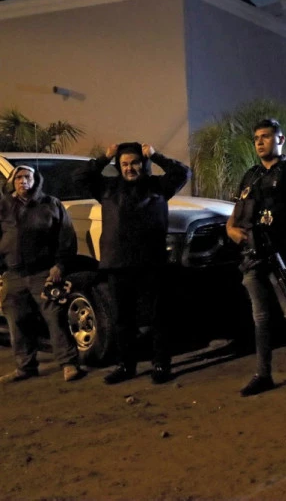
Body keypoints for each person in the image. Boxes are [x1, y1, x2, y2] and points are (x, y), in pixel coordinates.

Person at [74, 142, 191, 384]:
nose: (130, 168)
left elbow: (182, 172)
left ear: (143, 164)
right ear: (118, 166)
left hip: (151, 263)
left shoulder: (158, 186)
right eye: (124, 164)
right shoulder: (107, 187)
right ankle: (126, 365)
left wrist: (156, 155)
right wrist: (104, 157)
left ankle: (161, 364)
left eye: (135, 163)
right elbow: (79, 177)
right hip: (118, 264)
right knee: (122, 319)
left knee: (158, 317)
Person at [227, 118, 286, 399]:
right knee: (260, 318)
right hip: (252, 256)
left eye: (266, 136)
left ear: (280, 140)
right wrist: (231, 230)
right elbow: (235, 214)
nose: (260, 142)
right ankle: (263, 374)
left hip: (282, 255)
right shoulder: (251, 175)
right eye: (256, 138)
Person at [0, 165, 85, 382]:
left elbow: (66, 236)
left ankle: (69, 363)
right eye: (18, 177)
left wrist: (60, 265)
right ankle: (25, 367)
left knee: (55, 319)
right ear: (12, 182)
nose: (23, 181)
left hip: (44, 273)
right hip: (14, 274)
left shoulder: (51, 204)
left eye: (27, 177)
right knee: (17, 321)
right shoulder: (4, 206)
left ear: (35, 179)